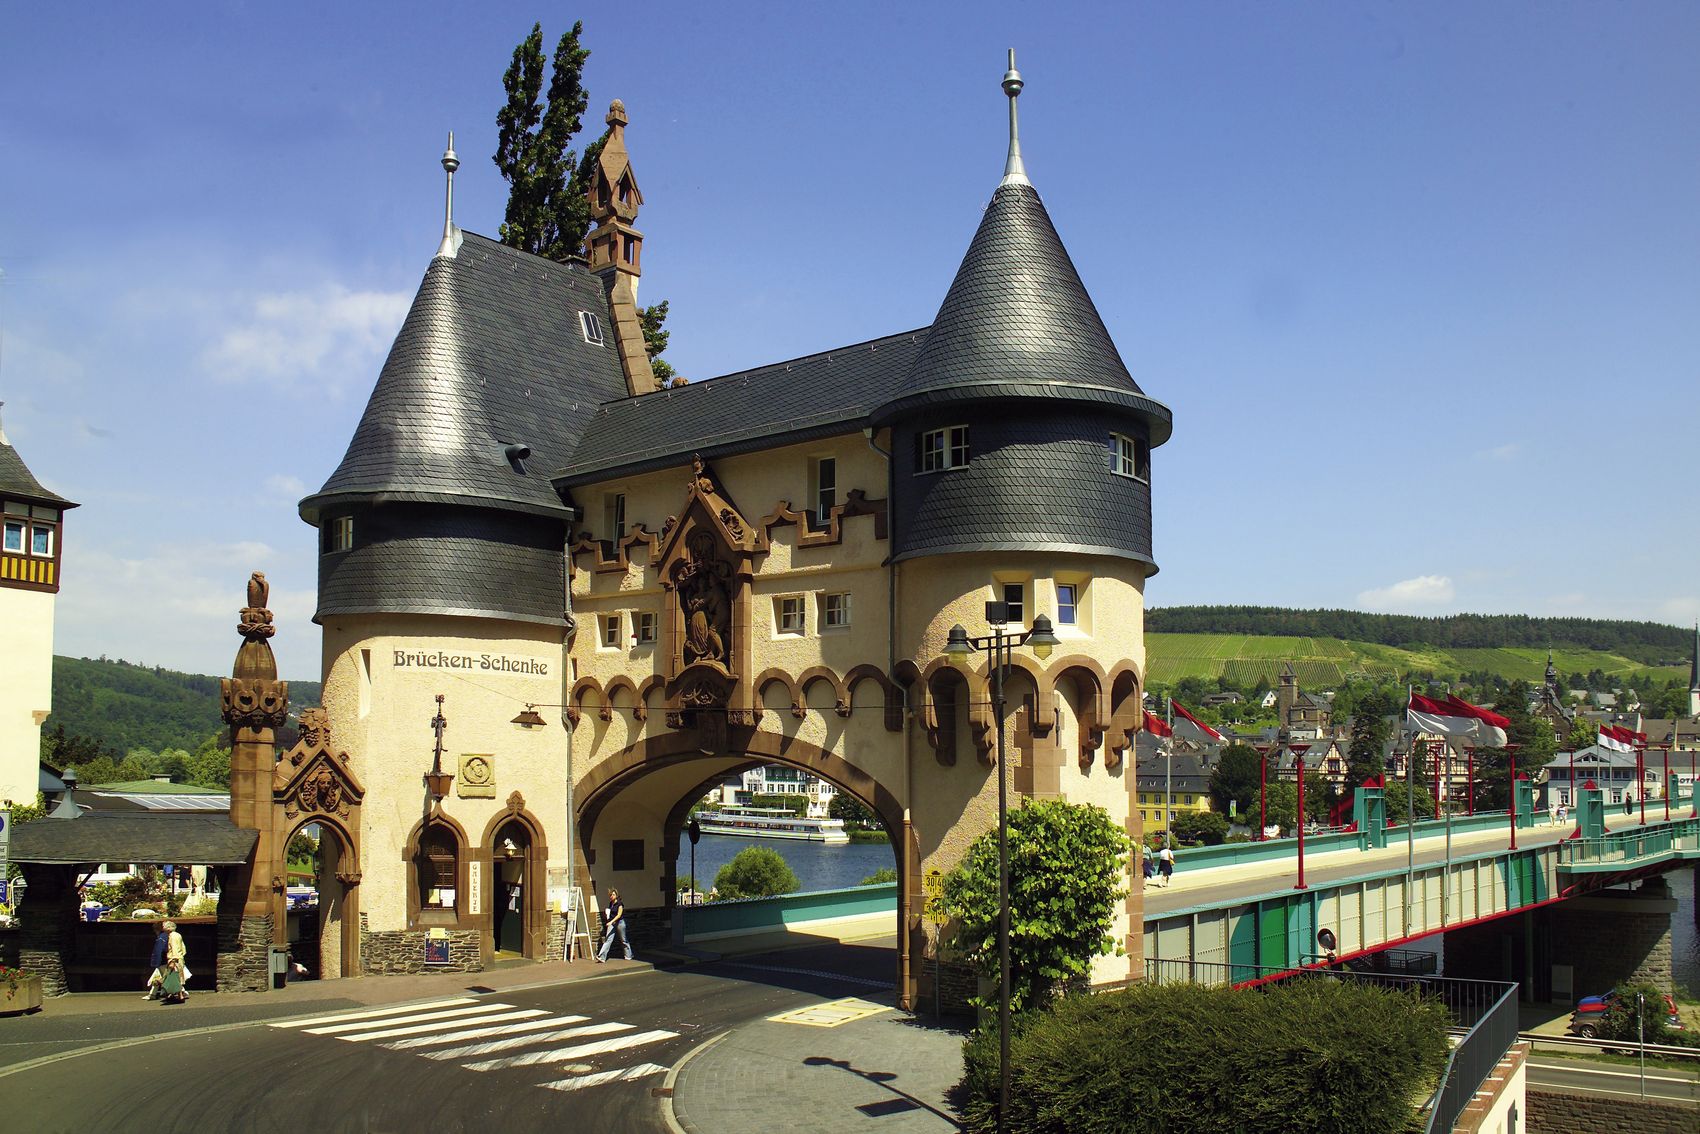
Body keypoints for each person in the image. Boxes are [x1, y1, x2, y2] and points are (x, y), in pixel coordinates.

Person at [596, 887, 632, 962]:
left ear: (616, 895)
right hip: (612, 923)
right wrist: (607, 914)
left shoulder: (620, 904)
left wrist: (611, 922)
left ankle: (628, 955)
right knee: (608, 939)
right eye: (610, 895)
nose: (612, 896)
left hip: (620, 923)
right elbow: (611, 914)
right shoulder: (611, 903)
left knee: (623, 939)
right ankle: (602, 957)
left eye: (613, 894)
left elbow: (619, 915)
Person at [164, 919, 191, 1001]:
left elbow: (175, 948)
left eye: (164, 926)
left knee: (175, 977)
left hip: (175, 959)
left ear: (168, 928)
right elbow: (183, 948)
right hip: (179, 958)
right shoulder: (177, 935)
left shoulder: (173, 936)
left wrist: (173, 960)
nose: (163, 928)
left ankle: (180, 995)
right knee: (177, 977)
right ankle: (173, 994)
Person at [142, 923, 169, 999]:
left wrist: (156, 962)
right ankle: (154, 994)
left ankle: (153, 994)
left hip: (163, 961)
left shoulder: (161, 938)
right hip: (166, 960)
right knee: (162, 977)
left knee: (159, 977)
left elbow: (159, 950)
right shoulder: (166, 936)